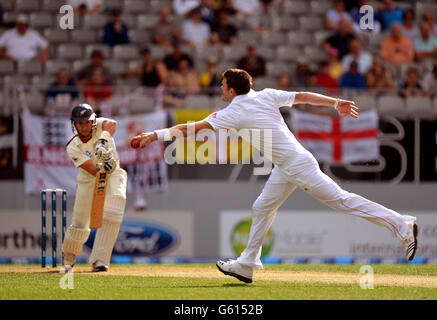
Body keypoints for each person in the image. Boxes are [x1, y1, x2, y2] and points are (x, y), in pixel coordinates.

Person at [131, 69, 418, 283]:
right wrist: (335, 103)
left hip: (296, 165)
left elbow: (194, 128)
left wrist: (155, 135)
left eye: (222, 85)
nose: (220, 89)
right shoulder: (266, 95)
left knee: (342, 201)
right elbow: (303, 96)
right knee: (262, 207)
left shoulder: (234, 111)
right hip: (286, 165)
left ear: (231, 90)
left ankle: (402, 225)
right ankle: (246, 264)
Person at [62, 104, 127, 272]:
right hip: (89, 178)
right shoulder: (73, 146)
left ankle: (100, 259)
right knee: (80, 221)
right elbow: (93, 170)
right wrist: (106, 166)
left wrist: (103, 140)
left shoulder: (99, 124)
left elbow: (112, 124)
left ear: (93, 121)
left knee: (116, 206)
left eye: (87, 122)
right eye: (80, 123)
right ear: (74, 124)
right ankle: (69, 255)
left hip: (114, 174)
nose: (84, 126)